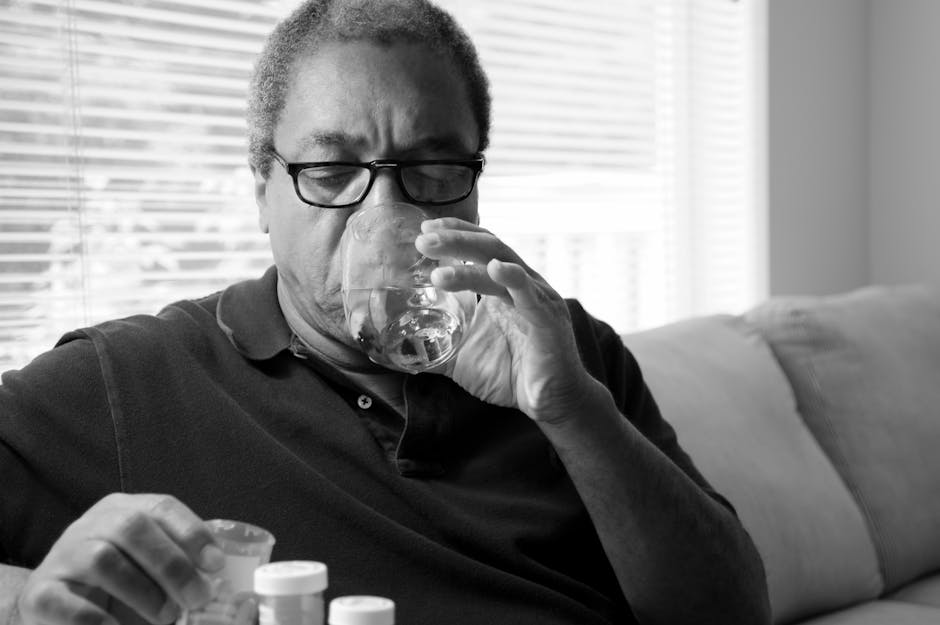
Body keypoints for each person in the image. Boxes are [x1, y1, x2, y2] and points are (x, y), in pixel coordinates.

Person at [0, 1, 771, 623]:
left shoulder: (567, 351)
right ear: (261, 191)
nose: (386, 210)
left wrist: (571, 410)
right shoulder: (129, 382)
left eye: (432, 168)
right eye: (332, 170)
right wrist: (26, 600)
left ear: (473, 180)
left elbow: (733, 608)